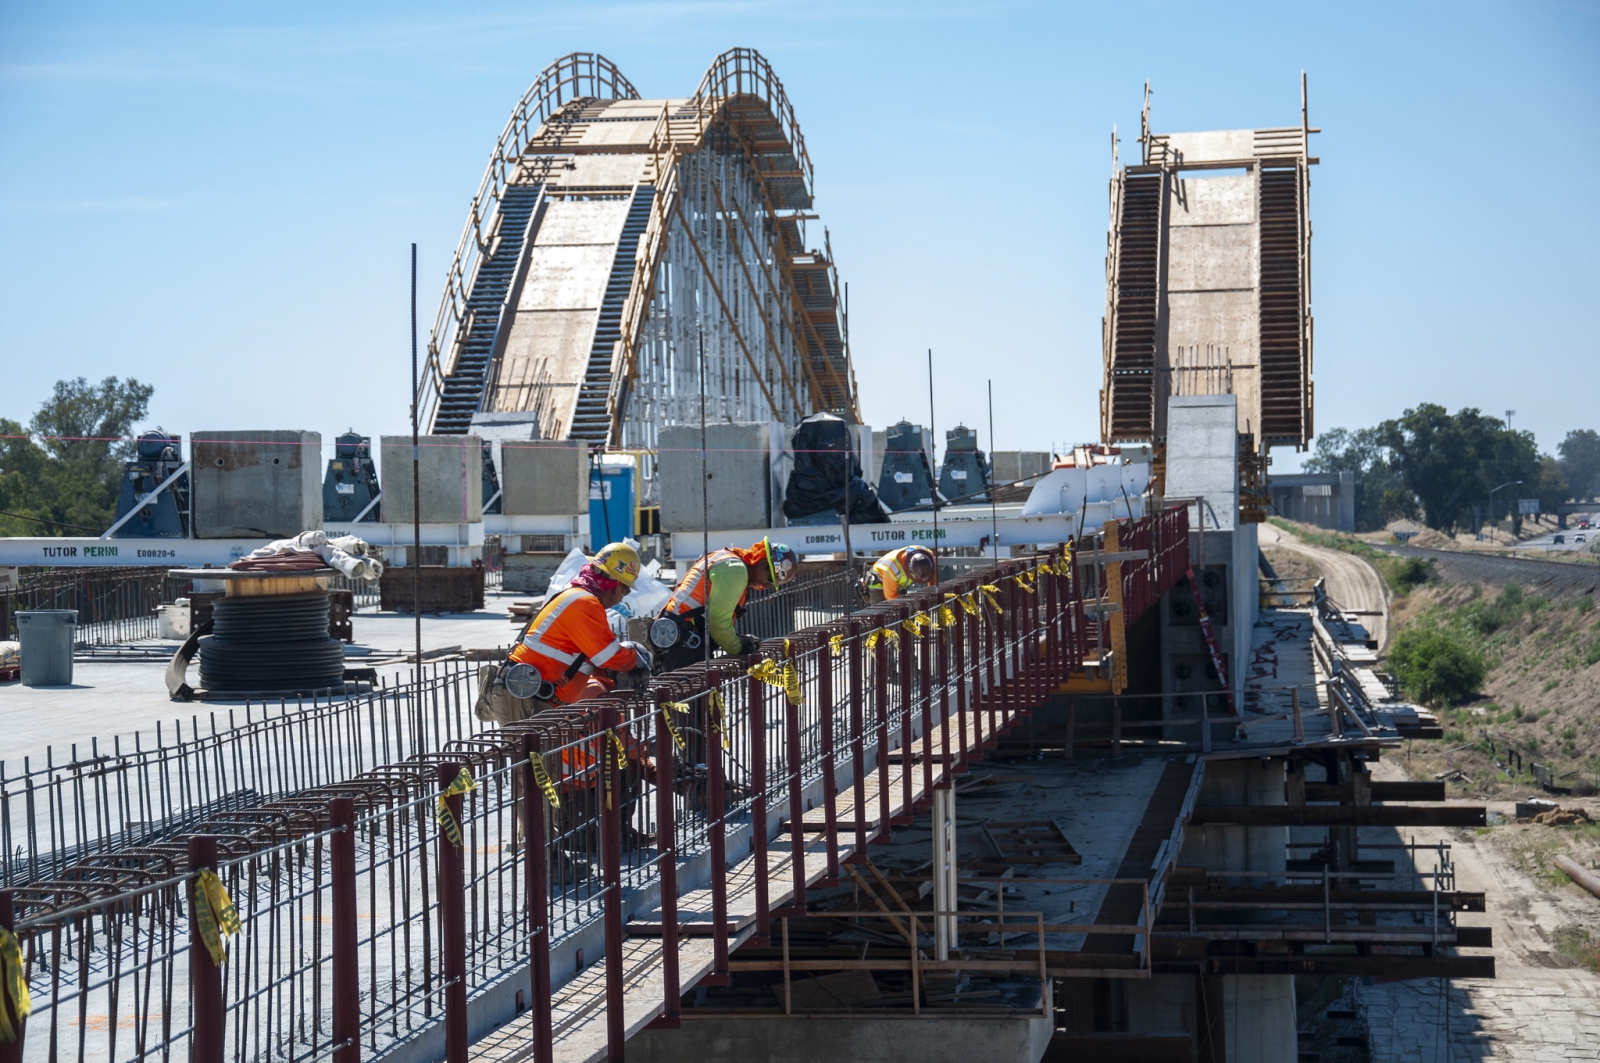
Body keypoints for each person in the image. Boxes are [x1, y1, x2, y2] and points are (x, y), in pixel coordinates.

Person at [475, 541, 652, 724]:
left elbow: (588, 660)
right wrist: (636, 659)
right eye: (626, 590)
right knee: (531, 752)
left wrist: (613, 674)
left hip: (534, 695)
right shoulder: (585, 603)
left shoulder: (579, 598)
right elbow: (609, 656)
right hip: (525, 694)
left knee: (543, 752)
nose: (622, 598)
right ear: (616, 587)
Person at [651, 537, 798, 672]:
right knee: (694, 700)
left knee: (701, 698)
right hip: (682, 647)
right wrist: (740, 649)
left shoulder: (730, 562)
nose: (766, 586)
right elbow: (718, 623)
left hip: (680, 640)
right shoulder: (735, 570)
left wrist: (738, 639)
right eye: (770, 579)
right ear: (762, 563)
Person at [862, 545, 937, 602]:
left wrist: (932, 595)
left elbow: (932, 581)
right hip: (879, 584)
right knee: (886, 615)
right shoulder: (891, 568)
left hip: (898, 583)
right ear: (909, 571)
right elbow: (891, 598)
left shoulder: (928, 556)